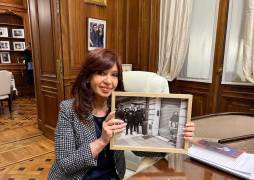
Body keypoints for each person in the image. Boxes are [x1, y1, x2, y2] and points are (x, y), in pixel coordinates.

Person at [48, 48, 195, 180]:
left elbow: (138, 150)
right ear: (88, 77)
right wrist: (102, 141)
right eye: (101, 73)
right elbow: (65, 164)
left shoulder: (120, 108)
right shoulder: (68, 109)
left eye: (114, 75)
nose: (108, 81)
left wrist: (176, 137)